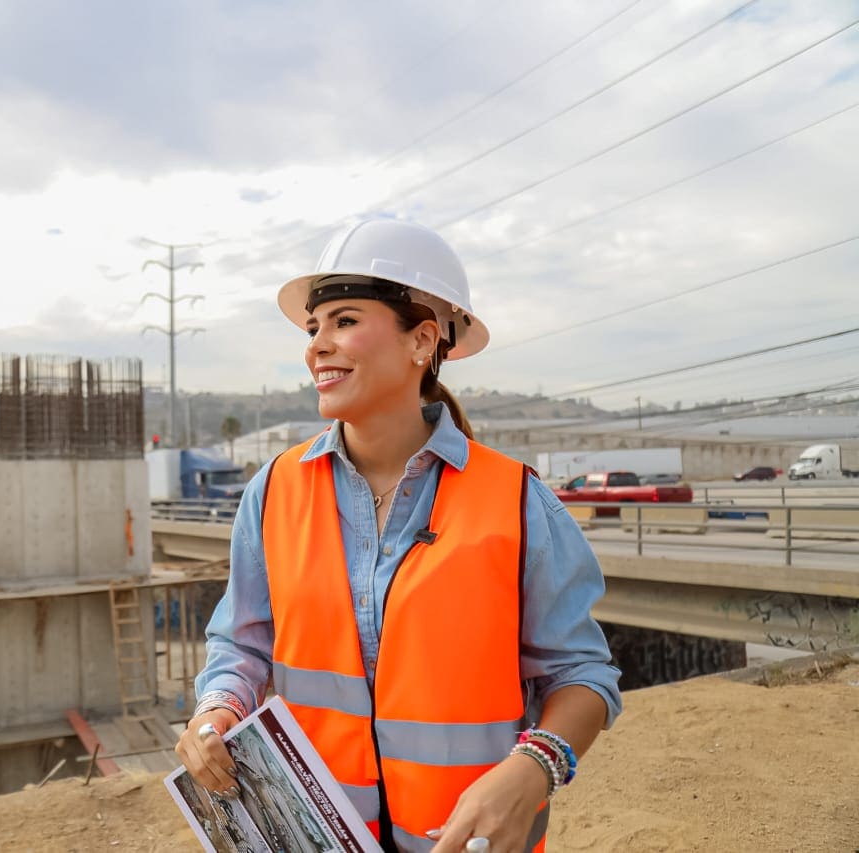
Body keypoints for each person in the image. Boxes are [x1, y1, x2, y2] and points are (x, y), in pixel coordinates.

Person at [174, 218, 622, 853]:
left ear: (423, 340)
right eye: (313, 328)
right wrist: (215, 711)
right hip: (317, 837)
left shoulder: (518, 502)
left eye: (345, 321)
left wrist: (533, 770)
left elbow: (582, 675)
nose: (317, 346)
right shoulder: (272, 493)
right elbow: (243, 646)